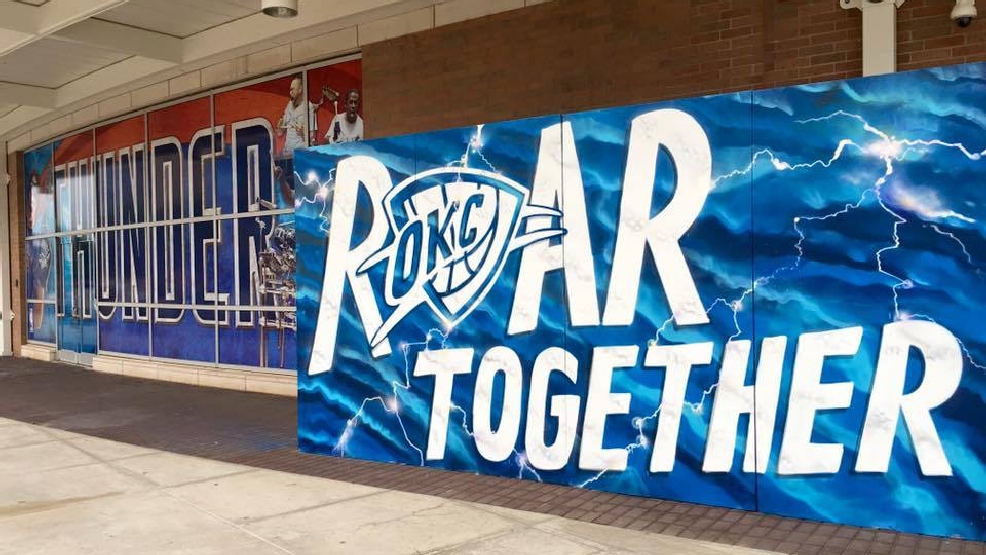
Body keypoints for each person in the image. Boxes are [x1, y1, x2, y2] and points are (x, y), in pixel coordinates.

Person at [276, 75, 316, 154]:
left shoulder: (308, 107)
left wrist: (302, 132)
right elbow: (280, 133)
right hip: (287, 153)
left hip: (301, 153)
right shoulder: (289, 105)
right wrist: (279, 126)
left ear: (300, 89)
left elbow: (311, 136)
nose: (290, 92)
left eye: (292, 89)